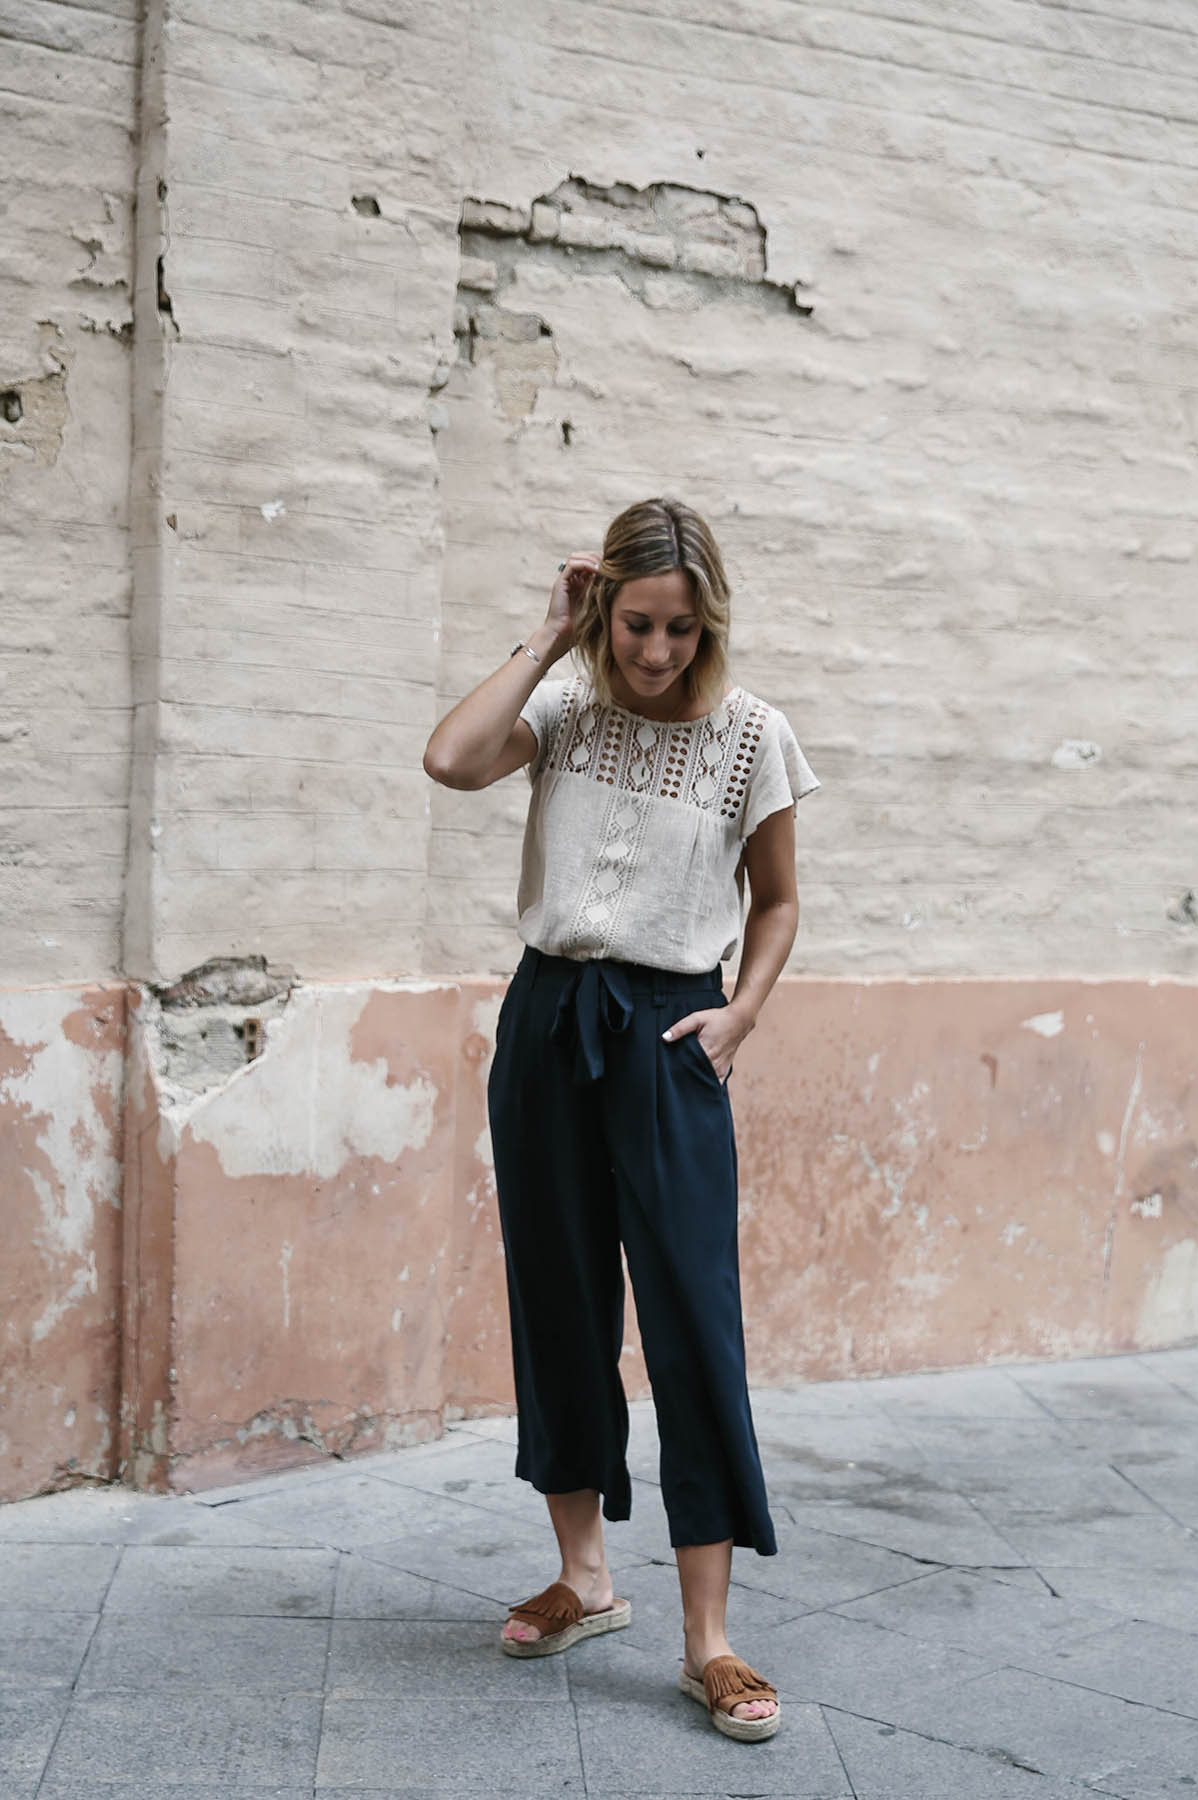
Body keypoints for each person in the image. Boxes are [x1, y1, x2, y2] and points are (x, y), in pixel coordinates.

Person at [422, 496, 819, 1741]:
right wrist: (548, 637)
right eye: (637, 625)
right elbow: (448, 759)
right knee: (559, 1299)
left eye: (680, 630)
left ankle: (711, 1637)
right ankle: (587, 1578)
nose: (656, 652)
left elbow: (777, 903)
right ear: (607, 612)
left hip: (668, 1034)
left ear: (712, 623)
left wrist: (741, 1015)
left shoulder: (754, 736)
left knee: (694, 1317)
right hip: (546, 1021)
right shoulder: (566, 705)